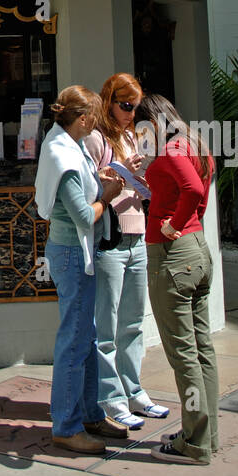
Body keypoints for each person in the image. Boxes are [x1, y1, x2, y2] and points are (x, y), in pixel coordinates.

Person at [35, 85, 127, 455]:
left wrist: (102, 183)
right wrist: (106, 196)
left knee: (85, 335)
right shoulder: (65, 156)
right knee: (74, 340)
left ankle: (89, 414)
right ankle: (67, 426)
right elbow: (84, 215)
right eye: (96, 115)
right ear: (84, 118)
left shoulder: (69, 147)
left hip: (76, 253)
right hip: (73, 254)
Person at [135, 93, 218, 465]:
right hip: (197, 250)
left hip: (174, 256)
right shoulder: (193, 143)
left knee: (183, 355)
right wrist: (188, 217)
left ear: (153, 121)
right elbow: (199, 189)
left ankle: (194, 442)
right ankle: (204, 433)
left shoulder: (170, 150)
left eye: (141, 125)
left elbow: (193, 190)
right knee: (202, 352)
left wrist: (174, 223)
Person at [83, 73, 169, 429]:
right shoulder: (96, 139)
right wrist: (112, 176)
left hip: (138, 235)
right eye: (125, 105)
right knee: (107, 325)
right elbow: (86, 185)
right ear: (109, 101)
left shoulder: (132, 135)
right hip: (111, 239)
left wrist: (142, 179)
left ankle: (134, 390)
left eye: (135, 106)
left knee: (134, 322)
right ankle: (111, 399)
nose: (131, 112)